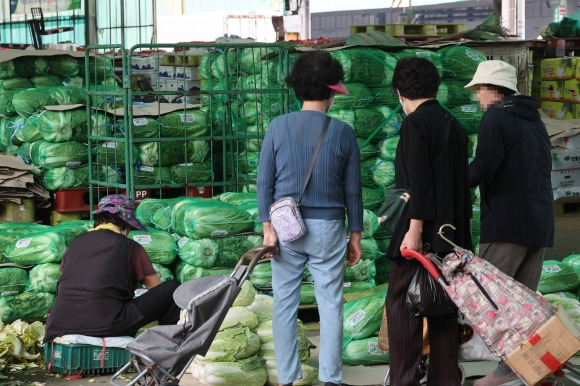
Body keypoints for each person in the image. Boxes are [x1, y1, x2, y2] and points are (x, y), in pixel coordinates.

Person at [257, 50, 363, 386]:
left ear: (297, 88)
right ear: (332, 91)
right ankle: (330, 378)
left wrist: (267, 228)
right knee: (330, 303)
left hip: (285, 227)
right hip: (330, 226)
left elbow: (264, 181)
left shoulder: (277, 127)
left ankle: (288, 378)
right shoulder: (343, 133)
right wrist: (355, 234)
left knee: (284, 303)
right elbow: (354, 191)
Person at [465, 61, 555, 386]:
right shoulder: (533, 120)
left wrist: (448, 184)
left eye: (479, 91)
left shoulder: (496, 116)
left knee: (491, 300)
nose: (478, 98)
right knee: (523, 306)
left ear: (493, 90)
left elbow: (485, 165)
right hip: (539, 221)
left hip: (507, 223)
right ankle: (531, 370)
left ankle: (504, 374)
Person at [384, 57, 472, 386]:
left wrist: (414, 231)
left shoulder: (415, 124)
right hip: (453, 236)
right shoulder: (454, 123)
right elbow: (462, 186)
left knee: (402, 306)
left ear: (399, 93)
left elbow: (418, 182)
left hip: (420, 235)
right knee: (444, 310)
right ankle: (446, 380)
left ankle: (404, 381)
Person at [44, 194, 181, 343]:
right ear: (124, 225)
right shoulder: (130, 247)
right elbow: (156, 289)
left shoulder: (74, 244)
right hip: (106, 324)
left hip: (58, 324)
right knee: (171, 290)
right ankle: (170, 348)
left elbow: (69, 281)